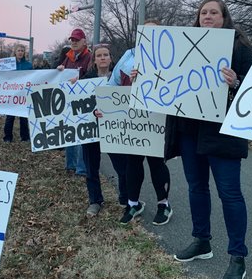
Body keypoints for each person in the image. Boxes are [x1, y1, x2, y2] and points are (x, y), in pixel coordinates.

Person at [165, 0, 252, 279]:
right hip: (190, 129)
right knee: (196, 187)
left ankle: (237, 256)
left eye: (213, 12)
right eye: (203, 12)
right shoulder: (184, 44)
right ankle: (201, 240)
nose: (207, 16)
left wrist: (236, 82)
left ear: (224, 17)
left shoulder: (241, 48)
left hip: (223, 133)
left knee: (230, 194)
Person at [110, 19, 173, 226]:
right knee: (133, 163)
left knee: (156, 163)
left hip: (157, 118)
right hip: (133, 119)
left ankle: (164, 204)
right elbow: (113, 85)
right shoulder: (129, 55)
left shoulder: (169, 55)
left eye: (155, 32)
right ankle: (133, 203)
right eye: (146, 32)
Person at [81, 44, 128, 216]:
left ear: (110, 58)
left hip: (114, 130)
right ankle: (95, 201)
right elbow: (79, 102)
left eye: (106, 55)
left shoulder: (121, 78)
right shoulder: (86, 79)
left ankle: (125, 198)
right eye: (99, 55)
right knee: (91, 167)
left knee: (122, 166)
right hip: (91, 130)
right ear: (94, 60)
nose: (102, 58)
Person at [57, 29, 92, 175]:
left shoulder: (89, 57)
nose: (74, 42)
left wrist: (80, 80)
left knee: (81, 135)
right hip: (68, 101)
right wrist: (59, 70)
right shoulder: (68, 57)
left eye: (77, 40)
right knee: (69, 133)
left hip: (83, 102)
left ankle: (81, 168)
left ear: (84, 41)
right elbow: (60, 76)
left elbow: (91, 76)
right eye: (72, 40)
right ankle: (70, 165)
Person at [3, 44, 33, 142]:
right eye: (18, 50)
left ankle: (25, 137)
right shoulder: (8, 64)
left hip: (23, 94)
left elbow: (33, 78)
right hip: (11, 93)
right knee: (10, 117)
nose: (20, 52)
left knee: (23, 117)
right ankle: (8, 137)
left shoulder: (28, 65)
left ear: (24, 53)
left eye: (22, 50)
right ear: (15, 52)